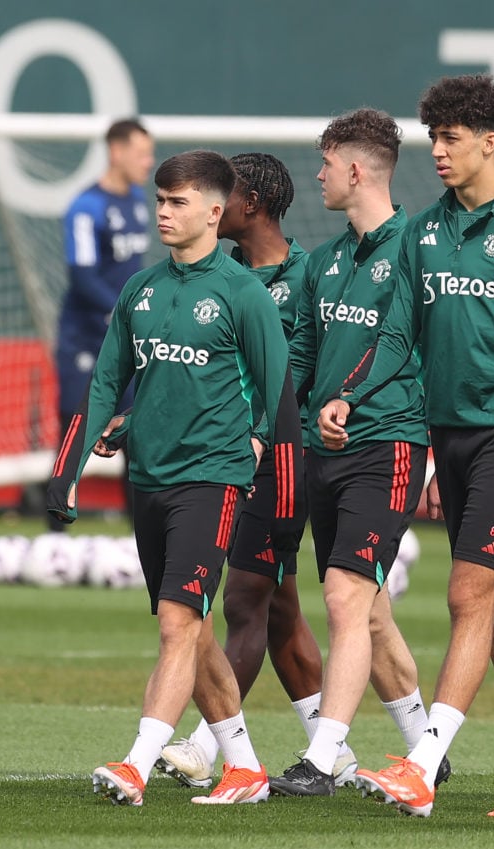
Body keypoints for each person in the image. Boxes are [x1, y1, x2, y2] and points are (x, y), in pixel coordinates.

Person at [320, 75, 494, 818]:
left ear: (491, 142)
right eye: (435, 138)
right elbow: (395, 333)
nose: (439, 152)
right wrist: (355, 390)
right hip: (444, 433)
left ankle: (423, 763)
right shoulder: (421, 232)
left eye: (452, 138)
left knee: (467, 593)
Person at [47, 149, 294, 806]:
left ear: (214, 212)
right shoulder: (141, 289)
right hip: (148, 479)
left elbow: (279, 393)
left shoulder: (243, 294)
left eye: (177, 201)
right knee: (195, 627)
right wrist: (65, 470)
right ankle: (244, 768)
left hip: (212, 481)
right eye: (160, 200)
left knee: (177, 624)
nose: (163, 212)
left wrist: (264, 448)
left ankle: (136, 762)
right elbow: (106, 383)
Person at [147, 151, 356, 790]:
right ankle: (334, 751)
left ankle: (208, 748)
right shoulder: (218, 274)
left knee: (241, 599)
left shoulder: (312, 276)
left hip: (280, 462)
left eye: (223, 195)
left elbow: (311, 366)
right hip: (220, 459)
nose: (210, 205)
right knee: (282, 609)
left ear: (251, 204)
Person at [267, 108, 445, 797]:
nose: (316, 175)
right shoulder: (326, 260)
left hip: (389, 442)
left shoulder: (417, 249)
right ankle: (426, 747)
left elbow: (415, 349)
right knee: (367, 611)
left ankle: (321, 758)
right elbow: (304, 357)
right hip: (324, 448)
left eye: (325, 162)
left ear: (356, 169)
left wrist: (355, 403)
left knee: (344, 599)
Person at [50, 118, 154, 530]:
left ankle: (139, 541)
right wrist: (124, 313)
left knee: (134, 436)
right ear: (116, 151)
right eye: (142, 152)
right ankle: (55, 538)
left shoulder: (139, 202)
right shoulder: (85, 206)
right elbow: (82, 276)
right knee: (72, 437)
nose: (148, 161)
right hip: (85, 340)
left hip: (126, 342)